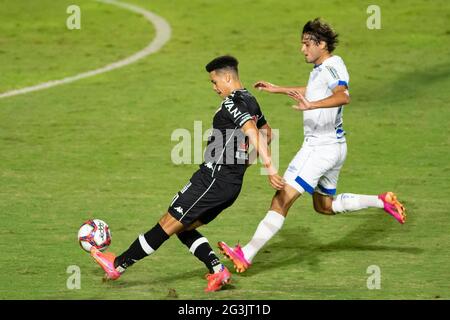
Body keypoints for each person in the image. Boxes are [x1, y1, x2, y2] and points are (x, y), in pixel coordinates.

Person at [218, 18, 406, 273]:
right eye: (302, 44)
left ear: (322, 44)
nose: (302, 49)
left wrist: (311, 106)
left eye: (307, 44)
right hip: (336, 147)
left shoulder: (332, 66)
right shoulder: (323, 69)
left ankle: (246, 254)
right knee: (324, 206)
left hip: (318, 148)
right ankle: (382, 201)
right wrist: (279, 89)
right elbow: (314, 90)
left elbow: (343, 96)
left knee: (281, 198)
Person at [89, 55, 285, 292]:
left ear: (228, 77)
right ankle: (217, 270)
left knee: (168, 223)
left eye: (215, 82)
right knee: (184, 228)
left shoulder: (233, 102)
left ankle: (117, 265)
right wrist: (244, 165)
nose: (214, 88)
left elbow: (254, 132)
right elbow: (269, 134)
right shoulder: (250, 99)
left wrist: (270, 168)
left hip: (213, 180)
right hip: (228, 183)